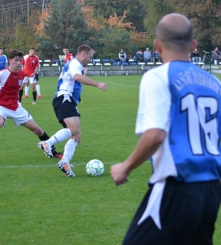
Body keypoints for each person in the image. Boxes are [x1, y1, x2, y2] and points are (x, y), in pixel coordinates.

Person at [110, 13, 221, 244]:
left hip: (176, 187)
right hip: (211, 191)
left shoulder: (158, 77)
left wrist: (125, 167)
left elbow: (155, 134)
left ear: (157, 46)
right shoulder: (215, 84)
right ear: (193, 45)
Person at [0, 49, 62, 164]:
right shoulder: (1, 74)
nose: (18, 62)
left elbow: (24, 85)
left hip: (16, 107)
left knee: (37, 130)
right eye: (16, 60)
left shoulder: (22, 74)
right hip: (1, 106)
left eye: (20, 60)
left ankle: (53, 151)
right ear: (10, 60)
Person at [38, 45, 107, 177]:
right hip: (64, 99)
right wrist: (98, 84)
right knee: (74, 130)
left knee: (76, 136)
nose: (91, 60)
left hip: (67, 101)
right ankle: (48, 143)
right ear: (83, 54)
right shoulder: (75, 62)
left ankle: (64, 162)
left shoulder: (77, 65)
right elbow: (77, 77)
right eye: (90, 57)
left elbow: (76, 78)